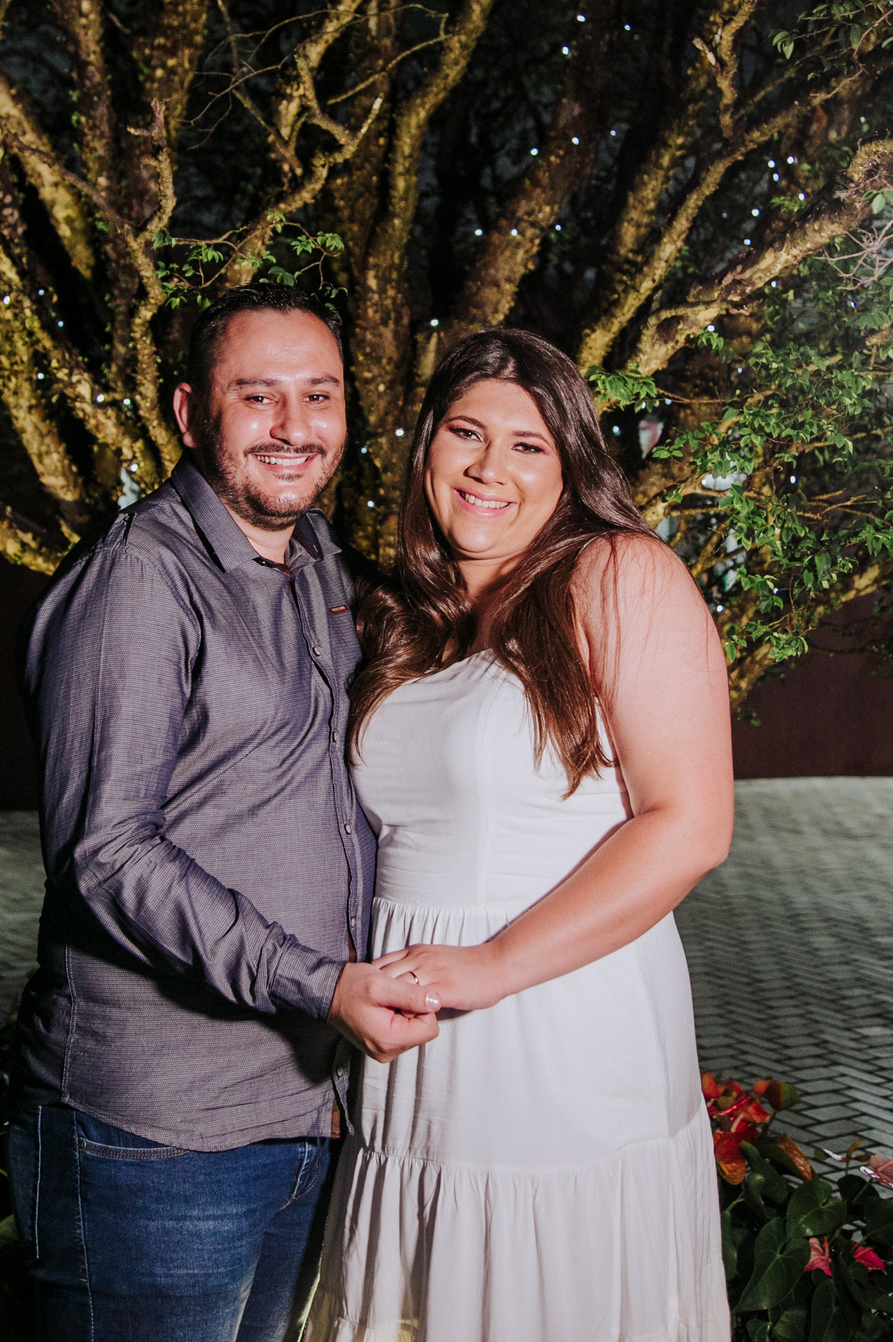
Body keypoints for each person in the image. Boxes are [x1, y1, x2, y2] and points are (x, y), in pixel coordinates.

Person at [7, 285, 440, 1342]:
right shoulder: (139, 580)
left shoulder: (320, 563)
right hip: (155, 1137)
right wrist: (318, 983)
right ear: (190, 413)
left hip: (306, 1112)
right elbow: (107, 855)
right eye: (258, 395)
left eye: (319, 396)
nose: (294, 427)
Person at [305, 328, 735, 1342]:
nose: (488, 467)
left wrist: (492, 965)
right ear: (427, 447)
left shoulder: (618, 573)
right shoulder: (411, 620)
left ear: (571, 464)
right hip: (414, 1050)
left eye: (527, 445)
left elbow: (691, 826)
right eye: (466, 433)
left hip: (557, 1025)